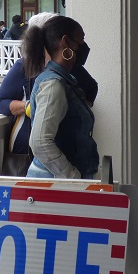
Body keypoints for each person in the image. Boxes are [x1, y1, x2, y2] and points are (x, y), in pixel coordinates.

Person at [23, 15, 98, 179]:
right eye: (80, 41)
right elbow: (40, 143)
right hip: (55, 185)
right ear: (66, 42)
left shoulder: (63, 79)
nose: (84, 47)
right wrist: (73, 178)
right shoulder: (53, 85)